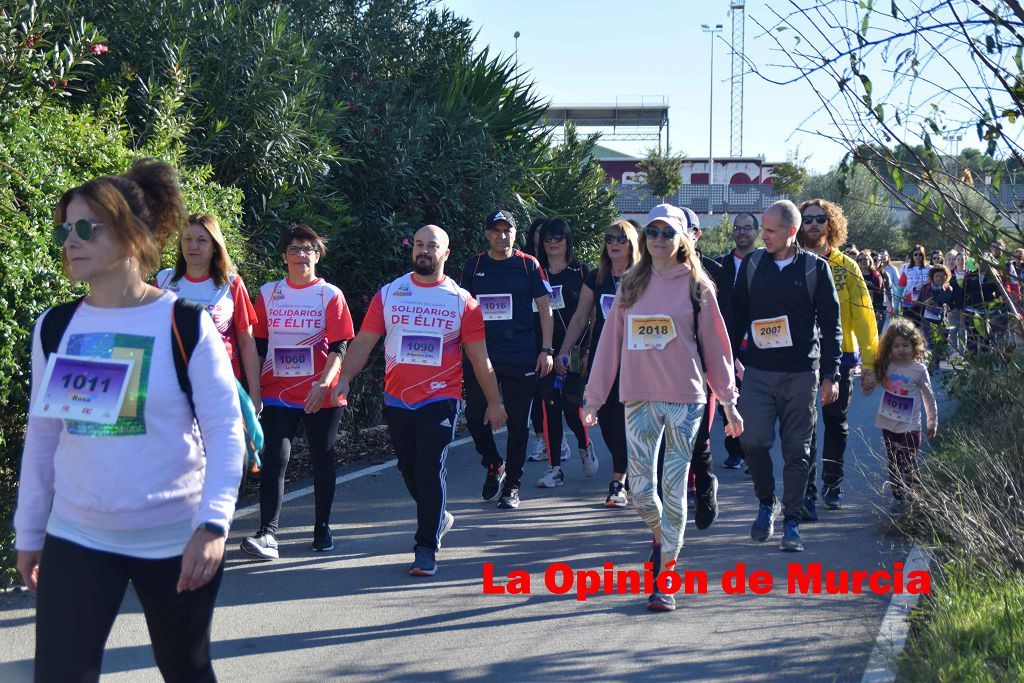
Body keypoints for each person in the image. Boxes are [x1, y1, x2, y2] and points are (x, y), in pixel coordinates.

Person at [15, 159, 244, 681]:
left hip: (174, 539)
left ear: (131, 235)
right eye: (64, 229)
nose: (69, 240)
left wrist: (212, 526)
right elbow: (44, 437)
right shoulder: (56, 327)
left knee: (186, 672)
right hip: (77, 536)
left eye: (85, 228)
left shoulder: (183, 323)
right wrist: (29, 532)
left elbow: (226, 433)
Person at [583, 204, 743, 612]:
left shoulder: (697, 286)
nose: (659, 239)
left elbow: (716, 348)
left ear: (682, 239)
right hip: (637, 399)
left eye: (667, 233)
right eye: (652, 232)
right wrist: (594, 398)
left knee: (673, 491)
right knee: (640, 492)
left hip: (685, 400)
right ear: (644, 239)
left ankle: (664, 576)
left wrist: (728, 402)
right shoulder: (630, 284)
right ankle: (662, 537)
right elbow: (608, 345)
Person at [332, 225, 508, 576]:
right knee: (409, 469)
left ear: (446, 254)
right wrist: (344, 379)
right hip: (398, 399)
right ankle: (439, 515)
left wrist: (494, 402)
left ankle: (425, 547)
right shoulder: (391, 294)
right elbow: (364, 342)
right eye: (419, 245)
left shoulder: (462, 302)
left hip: (440, 397)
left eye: (432, 246)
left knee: (429, 467)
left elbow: (479, 359)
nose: (424, 251)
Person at [732, 200, 842, 553]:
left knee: (797, 450)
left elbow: (831, 324)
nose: (762, 236)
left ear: (791, 232)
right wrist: (731, 359)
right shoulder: (751, 265)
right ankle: (767, 502)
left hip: (800, 374)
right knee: (753, 442)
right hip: (759, 372)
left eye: (770, 231)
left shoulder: (814, 269)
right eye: (763, 229)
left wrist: (830, 374)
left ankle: (791, 521)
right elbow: (734, 317)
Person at [240, 225, 355, 560]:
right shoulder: (269, 293)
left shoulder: (329, 294)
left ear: (317, 255)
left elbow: (341, 345)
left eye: (307, 249)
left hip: (322, 392)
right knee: (276, 457)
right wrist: (255, 392)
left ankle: (322, 527)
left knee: (323, 457)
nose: (300, 255)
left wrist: (323, 384)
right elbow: (256, 345)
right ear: (284, 256)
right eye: (294, 249)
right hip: (277, 391)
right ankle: (268, 533)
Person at [461, 210, 554, 510]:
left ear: (515, 233)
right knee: (475, 416)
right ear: (487, 234)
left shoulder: (529, 264)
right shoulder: (474, 265)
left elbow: (544, 308)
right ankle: (493, 462)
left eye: (507, 231)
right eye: (496, 231)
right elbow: (463, 308)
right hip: (480, 355)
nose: (502, 236)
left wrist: (547, 350)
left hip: (520, 354)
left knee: (518, 422)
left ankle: (513, 484)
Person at [797, 199, 878, 515]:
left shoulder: (848, 266)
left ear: (832, 224)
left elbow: (865, 318)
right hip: (802, 360)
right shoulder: (791, 262)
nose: (814, 224)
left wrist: (871, 363)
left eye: (821, 219)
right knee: (805, 428)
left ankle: (833, 484)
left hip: (841, 358)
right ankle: (806, 492)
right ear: (799, 226)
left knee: (836, 424)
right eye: (808, 219)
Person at [557, 219, 642, 507]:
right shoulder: (596, 277)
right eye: (610, 238)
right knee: (607, 420)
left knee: (633, 420)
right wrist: (564, 351)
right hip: (604, 359)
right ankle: (625, 471)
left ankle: (619, 480)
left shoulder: (646, 276)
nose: (614, 243)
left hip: (639, 360)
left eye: (621, 238)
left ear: (632, 243)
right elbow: (581, 317)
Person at [156, 213, 261, 410]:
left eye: (202, 240)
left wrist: (254, 394)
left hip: (219, 386)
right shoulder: (163, 281)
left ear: (215, 247)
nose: (193, 246)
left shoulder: (231, 284)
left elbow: (247, 343)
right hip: (172, 385)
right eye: (187, 239)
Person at [533, 218, 599, 488]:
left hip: (575, 348)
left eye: (558, 237)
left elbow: (592, 315)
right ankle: (554, 467)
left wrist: (587, 352)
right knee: (549, 404)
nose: (553, 242)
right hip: (544, 349)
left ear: (567, 240)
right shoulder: (536, 272)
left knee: (571, 403)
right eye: (548, 238)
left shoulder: (582, 271)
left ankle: (584, 445)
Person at [864, 318, 937, 515]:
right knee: (894, 462)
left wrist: (932, 421)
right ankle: (898, 497)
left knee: (910, 463)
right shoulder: (886, 366)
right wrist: (868, 382)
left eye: (905, 345)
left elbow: (928, 397)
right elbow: (869, 389)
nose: (901, 349)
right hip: (888, 424)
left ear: (914, 345)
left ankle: (915, 498)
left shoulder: (919, 369)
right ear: (889, 347)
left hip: (911, 426)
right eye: (896, 345)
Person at [716, 212, 759, 470]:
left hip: (759, 341)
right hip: (728, 340)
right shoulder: (721, 265)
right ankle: (734, 449)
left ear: (757, 232)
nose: (742, 232)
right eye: (738, 227)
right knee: (727, 396)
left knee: (755, 400)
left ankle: (752, 452)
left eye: (747, 228)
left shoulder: (765, 261)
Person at [524, 218, 568, 464]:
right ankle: (544, 439)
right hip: (530, 339)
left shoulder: (573, 269)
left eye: (552, 235)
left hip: (560, 344)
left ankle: (567, 441)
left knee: (560, 400)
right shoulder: (526, 265)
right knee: (536, 396)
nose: (546, 240)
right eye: (541, 235)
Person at [918, 264, 954, 347]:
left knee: (942, 346)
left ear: (946, 277)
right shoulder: (926, 288)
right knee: (929, 346)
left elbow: (943, 300)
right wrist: (925, 303)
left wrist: (942, 288)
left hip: (942, 322)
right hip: (926, 322)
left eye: (942, 276)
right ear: (932, 277)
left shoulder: (949, 289)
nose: (939, 279)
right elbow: (918, 303)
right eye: (936, 276)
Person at [897, 245, 930, 326]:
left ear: (924, 255)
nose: (918, 256)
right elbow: (900, 287)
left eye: (920, 254)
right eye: (915, 254)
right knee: (908, 328)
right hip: (908, 303)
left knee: (922, 329)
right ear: (912, 255)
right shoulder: (907, 269)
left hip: (924, 304)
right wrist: (896, 305)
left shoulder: (929, 269)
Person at [857, 251, 887, 330]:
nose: (863, 261)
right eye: (860, 259)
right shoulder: (854, 275)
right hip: (858, 309)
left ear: (870, 260)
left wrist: (879, 311)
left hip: (873, 309)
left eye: (865, 259)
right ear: (857, 262)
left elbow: (881, 294)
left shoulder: (876, 276)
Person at [878, 250, 900, 319]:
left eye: (885, 255)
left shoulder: (892, 269)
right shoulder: (876, 269)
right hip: (881, 298)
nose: (883, 257)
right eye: (881, 256)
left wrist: (897, 301)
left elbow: (898, 284)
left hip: (891, 298)